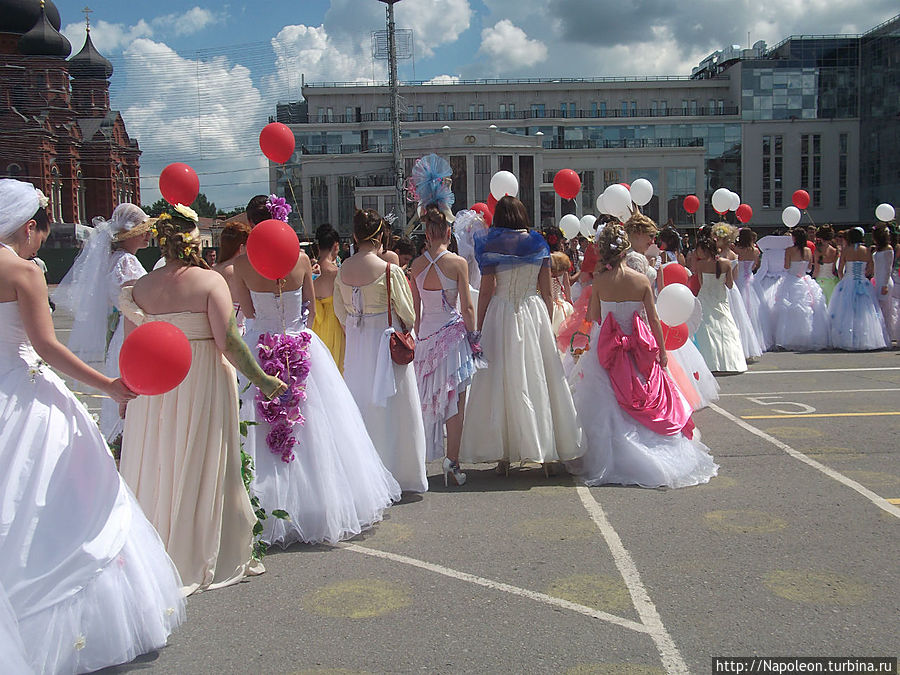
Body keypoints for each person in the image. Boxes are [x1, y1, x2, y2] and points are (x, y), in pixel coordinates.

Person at [0, 179, 184, 673]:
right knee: (66, 497)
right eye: (40, 228)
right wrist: (107, 384)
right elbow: (47, 347)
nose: (41, 239)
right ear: (28, 227)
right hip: (23, 390)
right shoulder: (23, 271)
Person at [119, 203, 287, 595]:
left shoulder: (140, 288)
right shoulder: (210, 283)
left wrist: (126, 396)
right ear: (194, 240)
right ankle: (202, 547)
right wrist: (264, 380)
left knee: (160, 459)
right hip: (202, 379)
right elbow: (228, 342)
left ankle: (156, 545)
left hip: (154, 388)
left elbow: (132, 347)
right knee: (204, 456)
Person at [230, 217, 401, 547]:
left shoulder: (242, 264)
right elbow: (309, 308)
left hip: (261, 347)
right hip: (301, 345)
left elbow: (249, 313)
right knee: (317, 430)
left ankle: (267, 507)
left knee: (261, 431)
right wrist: (294, 331)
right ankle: (316, 505)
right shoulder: (302, 259)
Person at [566, 223, 718, 488]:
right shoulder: (641, 281)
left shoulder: (601, 281)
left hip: (607, 349)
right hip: (639, 348)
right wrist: (661, 351)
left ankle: (609, 455)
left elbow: (593, 317)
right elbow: (654, 319)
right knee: (648, 398)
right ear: (626, 251)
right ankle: (653, 449)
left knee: (604, 403)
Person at [459, 196, 581, 474]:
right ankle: (545, 448)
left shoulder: (491, 245)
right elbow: (548, 292)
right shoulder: (538, 243)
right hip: (533, 310)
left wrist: (478, 326)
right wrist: (546, 324)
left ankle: (503, 454)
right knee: (539, 376)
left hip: (500, 313)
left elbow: (487, 291)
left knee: (500, 378)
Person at [333, 209, 428, 494]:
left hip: (358, 344)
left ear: (354, 235)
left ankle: (364, 475)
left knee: (361, 406)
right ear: (380, 236)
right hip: (386, 345)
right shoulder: (390, 270)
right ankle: (400, 473)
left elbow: (340, 313)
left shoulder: (343, 269)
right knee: (396, 409)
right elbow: (408, 316)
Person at [52, 203, 154, 443]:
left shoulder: (114, 259)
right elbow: (134, 304)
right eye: (143, 228)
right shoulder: (126, 262)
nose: (148, 234)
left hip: (121, 329)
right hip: (131, 329)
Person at [408, 205, 481, 485]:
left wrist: (418, 340)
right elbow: (469, 307)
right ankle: (453, 461)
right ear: (449, 232)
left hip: (426, 336)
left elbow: (416, 312)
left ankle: (423, 457)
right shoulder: (458, 263)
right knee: (454, 402)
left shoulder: (416, 265)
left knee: (426, 400)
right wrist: (474, 340)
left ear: (427, 233)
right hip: (453, 337)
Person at [828, 226, 889, 351]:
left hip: (848, 281)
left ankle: (846, 338)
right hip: (862, 282)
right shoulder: (866, 250)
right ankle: (863, 338)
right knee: (864, 312)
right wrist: (862, 275)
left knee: (846, 311)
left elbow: (839, 270)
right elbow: (870, 269)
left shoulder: (846, 250)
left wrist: (843, 280)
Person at [693, 235, 748, 373]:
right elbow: (729, 284)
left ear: (705, 250)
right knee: (726, 330)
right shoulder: (726, 263)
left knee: (707, 331)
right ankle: (730, 362)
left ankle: (710, 362)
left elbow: (701, 284)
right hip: (721, 299)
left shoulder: (700, 264)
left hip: (705, 298)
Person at [772, 227, 831, 351]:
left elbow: (786, 266)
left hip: (791, 279)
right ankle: (806, 336)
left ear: (794, 238)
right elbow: (809, 268)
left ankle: (788, 338)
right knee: (810, 308)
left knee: (787, 309)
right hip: (804, 280)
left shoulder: (789, 250)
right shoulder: (808, 250)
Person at [713, 222, 763, 362]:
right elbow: (735, 276)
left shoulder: (718, 255)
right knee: (737, 318)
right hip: (736, 286)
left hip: (723, 287)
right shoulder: (735, 255)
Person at [311, 223, 346, 370]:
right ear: (336, 245)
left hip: (313, 323)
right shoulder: (337, 272)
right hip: (334, 322)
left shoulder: (309, 271)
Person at [212, 220, 253, 335]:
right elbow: (246, 307)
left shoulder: (215, 268)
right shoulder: (233, 271)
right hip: (235, 332)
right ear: (241, 248)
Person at [872, 225, 896, 342]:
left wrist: (885, 284)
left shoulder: (888, 249)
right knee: (879, 310)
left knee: (886, 310)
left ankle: (888, 337)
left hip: (885, 282)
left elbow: (888, 268)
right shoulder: (878, 249)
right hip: (877, 281)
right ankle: (881, 336)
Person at [549, 251, 575, 337]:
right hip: (560, 301)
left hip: (552, 301)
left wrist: (568, 299)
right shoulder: (563, 273)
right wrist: (568, 299)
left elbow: (567, 285)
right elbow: (567, 286)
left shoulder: (548, 273)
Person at [813, 225, 840, 302]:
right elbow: (833, 269)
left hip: (820, 281)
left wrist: (812, 278)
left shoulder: (817, 251)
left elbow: (817, 270)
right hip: (832, 281)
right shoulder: (835, 250)